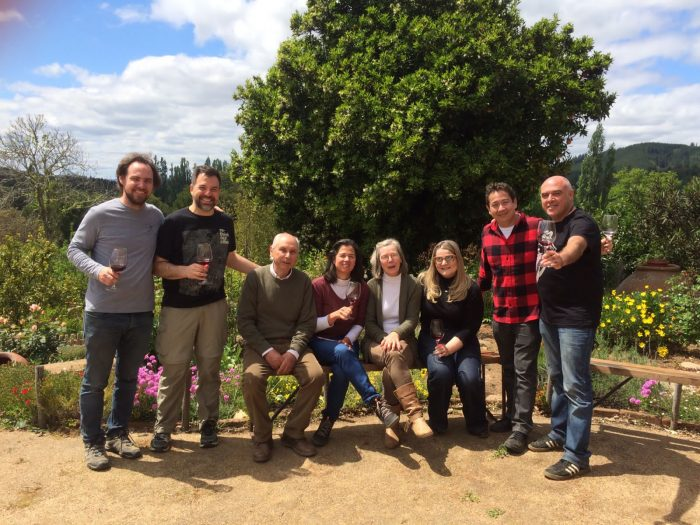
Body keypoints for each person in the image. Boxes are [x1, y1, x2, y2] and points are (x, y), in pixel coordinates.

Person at [149, 165, 256, 453]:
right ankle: (163, 429)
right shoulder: (173, 223)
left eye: (214, 189)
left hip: (214, 306)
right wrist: (184, 271)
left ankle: (208, 424)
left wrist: (264, 272)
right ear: (191, 189)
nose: (208, 194)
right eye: (203, 188)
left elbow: (230, 258)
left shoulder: (224, 222)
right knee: (174, 369)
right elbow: (157, 266)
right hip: (178, 309)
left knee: (210, 368)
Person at [67, 153, 164, 471]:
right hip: (103, 313)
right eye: (135, 178)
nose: (141, 185)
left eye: (147, 180)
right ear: (122, 179)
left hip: (141, 312)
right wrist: (98, 270)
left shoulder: (155, 217)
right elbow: (74, 249)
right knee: (95, 381)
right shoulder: (100, 213)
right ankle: (92, 442)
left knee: (128, 378)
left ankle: (117, 434)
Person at [529, 175, 604, 480]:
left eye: (556, 193)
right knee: (558, 378)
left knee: (576, 385)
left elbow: (576, 246)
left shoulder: (582, 223)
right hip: (549, 315)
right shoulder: (547, 226)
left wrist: (561, 258)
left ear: (571, 195)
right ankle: (559, 433)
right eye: (545, 195)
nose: (550, 199)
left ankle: (577, 456)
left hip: (576, 318)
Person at [238, 233, 324, 462]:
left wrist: (293, 352)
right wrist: (268, 352)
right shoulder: (255, 278)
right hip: (260, 346)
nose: (287, 255)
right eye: (283, 250)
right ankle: (262, 437)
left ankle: (293, 434)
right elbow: (245, 322)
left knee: (316, 376)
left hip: (293, 345)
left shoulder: (303, 281)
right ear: (271, 251)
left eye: (293, 251)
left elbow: (307, 322)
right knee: (252, 379)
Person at [309, 239, 399, 447]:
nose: (347, 259)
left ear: (356, 260)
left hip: (347, 343)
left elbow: (360, 322)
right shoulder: (318, 286)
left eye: (351, 256)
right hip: (321, 342)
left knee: (342, 370)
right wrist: (332, 317)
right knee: (342, 352)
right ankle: (375, 401)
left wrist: (349, 338)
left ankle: (328, 420)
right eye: (342, 255)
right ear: (333, 258)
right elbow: (310, 324)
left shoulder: (361, 288)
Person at [478, 182, 541, 455]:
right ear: (488, 209)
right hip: (501, 314)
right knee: (508, 368)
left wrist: (598, 245)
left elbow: (565, 248)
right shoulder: (487, 232)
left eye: (505, 202)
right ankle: (511, 417)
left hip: (530, 312)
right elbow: (484, 274)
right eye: (495, 204)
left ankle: (521, 428)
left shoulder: (538, 227)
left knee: (524, 370)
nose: (501, 207)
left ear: (515, 202)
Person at [362, 238, 433, 448]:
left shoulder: (413, 284)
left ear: (400, 258)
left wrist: (396, 334)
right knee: (392, 354)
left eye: (393, 255)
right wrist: (385, 338)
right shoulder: (371, 286)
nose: (390, 259)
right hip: (375, 342)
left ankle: (392, 425)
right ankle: (415, 415)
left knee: (391, 365)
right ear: (379, 261)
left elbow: (412, 319)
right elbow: (369, 322)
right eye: (385, 257)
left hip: (405, 341)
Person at [417, 240, 488, 437]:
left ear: (457, 259)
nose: (444, 263)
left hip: (463, 340)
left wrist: (449, 348)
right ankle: (438, 423)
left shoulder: (471, 287)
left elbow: (471, 326)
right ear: (433, 261)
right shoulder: (424, 284)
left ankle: (477, 423)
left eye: (449, 258)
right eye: (438, 259)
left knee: (469, 377)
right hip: (432, 338)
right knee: (441, 372)